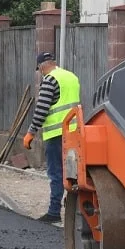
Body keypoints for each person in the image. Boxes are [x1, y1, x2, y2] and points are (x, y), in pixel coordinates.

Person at [21, 52, 80, 225]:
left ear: (41, 66)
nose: (40, 72)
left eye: (39, 69)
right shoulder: (71, 77)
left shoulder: (50, 79)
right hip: (74, 133)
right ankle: (75, 213)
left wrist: (31, 132)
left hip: (56, 135)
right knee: (73, 173)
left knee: (56, 173)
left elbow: (42, 108)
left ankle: (54, 212)